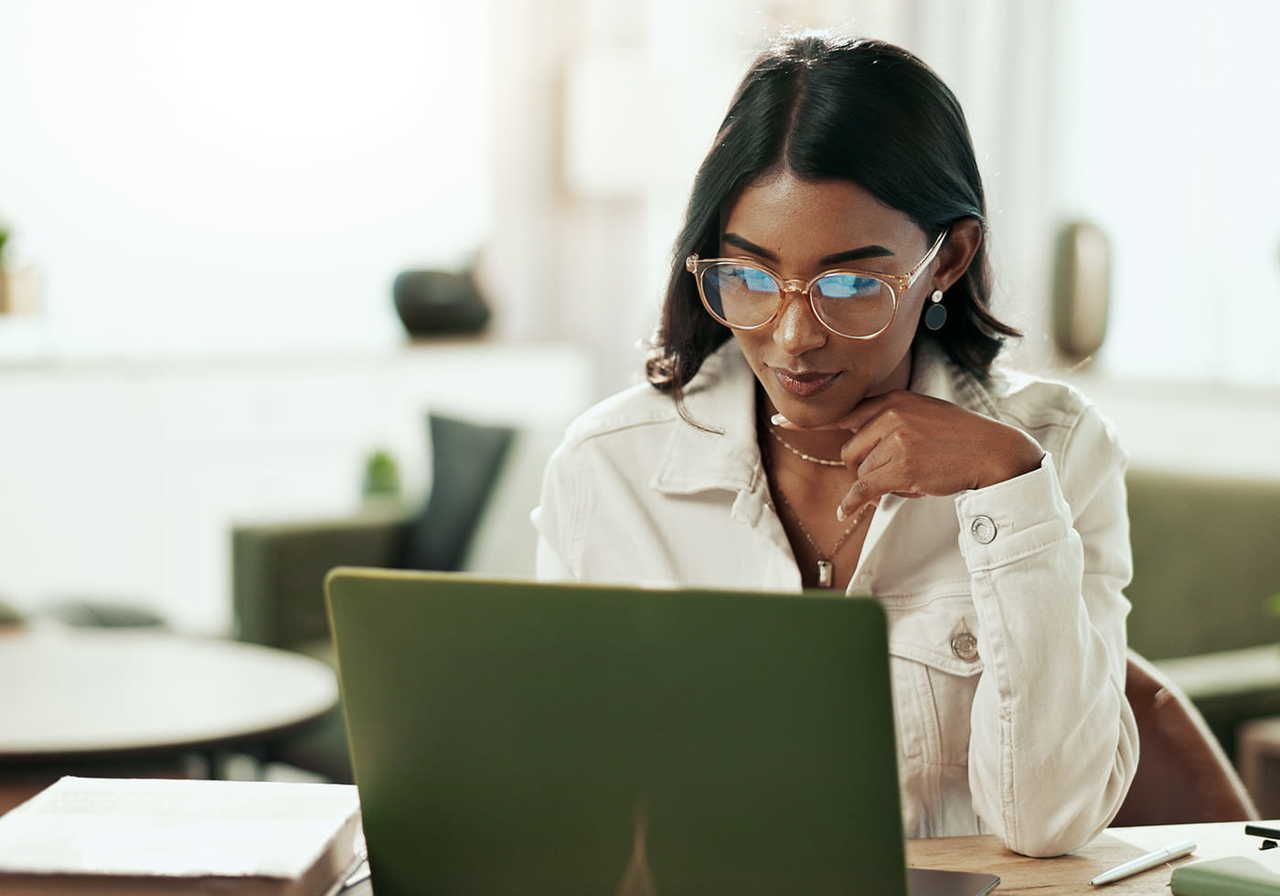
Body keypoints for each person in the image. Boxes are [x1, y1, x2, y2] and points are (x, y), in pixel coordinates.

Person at [531, 33, 1137, 858]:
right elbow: (570, 799)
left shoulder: (1058, 452)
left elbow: (1048, 822)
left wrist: (1011, 488)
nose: (791, 338)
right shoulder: (609, 467)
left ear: (948, 258)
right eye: (746, 277)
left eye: (851, 284)